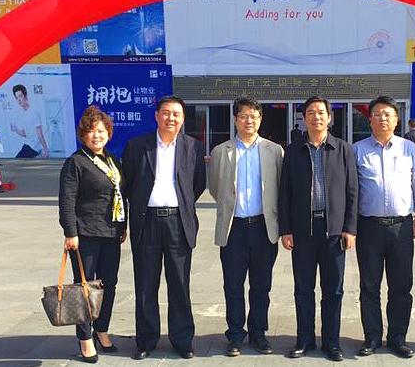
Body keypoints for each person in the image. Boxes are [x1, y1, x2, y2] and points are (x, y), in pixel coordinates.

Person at [121, 96, 206, 360]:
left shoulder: (193, 146)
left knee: (179, 283)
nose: (171, 118)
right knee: (146, 284)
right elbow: (128, 185)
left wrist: (179, 205)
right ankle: (146, 340)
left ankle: (182, 340)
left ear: (183, 118)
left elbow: (197, 184)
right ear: (156, 115)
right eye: (166, 113)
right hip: (146, 222)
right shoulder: (137, 146)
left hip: (178, 223)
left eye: (176, 114)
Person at [278, 96, 358, 362]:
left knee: (333, 290)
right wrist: (286, 229)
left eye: (321, 112)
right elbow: (284, 192)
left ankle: (332, 342)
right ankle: (305, 339)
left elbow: (352, 191)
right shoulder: (293, 151)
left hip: (334, 232)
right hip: (303, 231)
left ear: (329, 117)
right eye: (311, 112)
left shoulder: (343, 149)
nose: (316, 117)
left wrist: (350, 228)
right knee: (303, 289)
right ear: (304, 118)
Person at [209, 96, 284, 357]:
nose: (248, 120)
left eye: (253, 116)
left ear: (260, 119)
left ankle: (258, 332)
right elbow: (215, 188)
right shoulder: (221, 151)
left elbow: (280, 187)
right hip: (234, 228)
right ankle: (235, 334)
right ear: (235, 119)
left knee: (261, 285)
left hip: (264, 227)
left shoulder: (274, 151)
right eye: (243, 116)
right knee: (233, 285)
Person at [353, 97, 415, 359]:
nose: (383, 119)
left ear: (396, 120)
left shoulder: (408, 148)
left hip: (401, 227)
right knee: (369, 285)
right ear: (369, 119)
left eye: (388, 114)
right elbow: (352, 191)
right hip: (369, 228)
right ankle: (372, 337)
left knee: (401, 285)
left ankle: (398, 337)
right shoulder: (357, 150)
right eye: (377, 114)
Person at [58, 105, 126, 364]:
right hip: (85, 234)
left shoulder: (112, 160)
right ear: (83, 134)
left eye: (101, 131)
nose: (97, 135)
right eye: (91, 131)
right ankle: (85, 338)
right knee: (84, 287)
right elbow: (67, 200)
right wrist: (70, 232)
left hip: (111, 233)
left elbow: (121, 197)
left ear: (108, 133)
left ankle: (102, 329)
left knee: (109, 284)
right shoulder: (76, 162)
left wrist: (123, 226)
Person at [10, 84, 50, 159]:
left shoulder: (34, 112)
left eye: (20, 96)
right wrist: (15, 130)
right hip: (27, 146)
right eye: (16, 97)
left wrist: (45, 149)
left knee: (15, 162)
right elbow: (25, 134)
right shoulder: (23, 113)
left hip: (33, 147)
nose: (19, 99)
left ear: (25, 96)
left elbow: (40, 134)